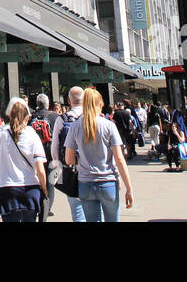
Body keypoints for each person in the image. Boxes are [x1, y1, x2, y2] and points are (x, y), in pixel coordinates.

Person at [64, 88, 134, 222]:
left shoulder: (75, 126)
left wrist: (83, 158)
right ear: (100, 104)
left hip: (85, 183)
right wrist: (129, 188)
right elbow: (119, 159)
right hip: (108, 182)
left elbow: (69, 159)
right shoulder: (109, 126)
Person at [0, 97, 46, 222]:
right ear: (27, 117)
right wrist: (44, 189)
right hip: (30, 188)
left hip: (8, 189)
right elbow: (40, 169)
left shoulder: (1, 133)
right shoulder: (32, 134)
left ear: (9, 115)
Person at [50, 86, 85, 222]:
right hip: (92, 169)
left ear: (69, 101)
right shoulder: (92, 117)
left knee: (77, 210)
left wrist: (57, 165)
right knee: (96, 210)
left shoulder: (62, 119)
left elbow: (55, 146)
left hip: (71, 169)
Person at [30, 94, 58, 215]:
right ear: (48, 103)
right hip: (50, 151)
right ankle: (47, 207)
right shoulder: (54, 116)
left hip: (35, 152)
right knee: (50, 181)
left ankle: (37, 204)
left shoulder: (31, 117)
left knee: (37, 179)